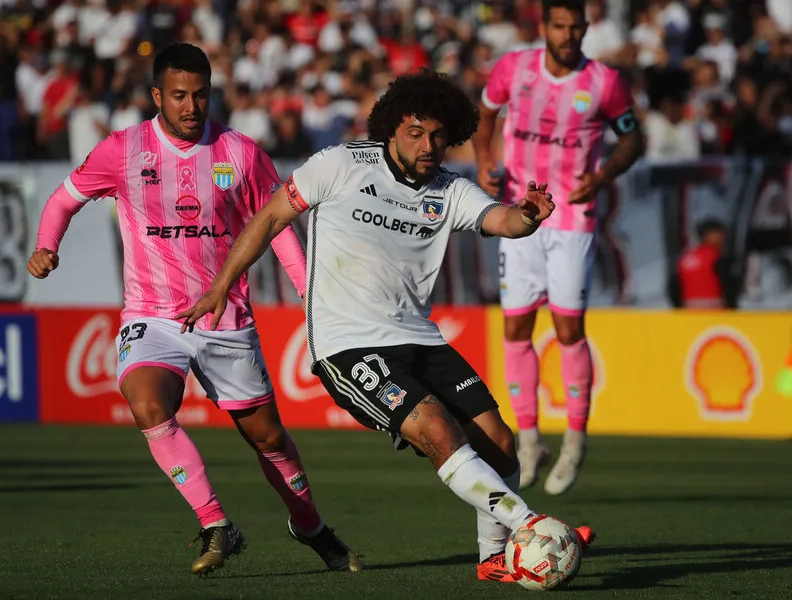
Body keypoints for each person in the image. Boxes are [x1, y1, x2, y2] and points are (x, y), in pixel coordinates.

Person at [176, 69, 594, 583]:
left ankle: (491, 557)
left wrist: (528, 214)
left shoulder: (449, 189)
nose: (428, 144)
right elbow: (267, 219)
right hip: (347, 346)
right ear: (392, 127)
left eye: (439, 135)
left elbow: (502, 221)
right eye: (416, 132)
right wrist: (222, 284)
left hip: (418, 337)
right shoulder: (339, 164)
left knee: (501, 442)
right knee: (439, 430)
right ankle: (533, 526)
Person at [26, 42, 360, 576]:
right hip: (152, 314)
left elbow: (277, 227)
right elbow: (64, 199)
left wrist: (308, 291)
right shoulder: (123, 150)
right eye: (179, 95)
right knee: (147, 405)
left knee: (269, 438)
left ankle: (311, 527)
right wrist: (47, 246)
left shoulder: (241, 153)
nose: (191, 106)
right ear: (157, 95)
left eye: (200, 94)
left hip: (226, 319)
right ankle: (215, 523)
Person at [472, 0, 645, 495]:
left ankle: (574, 438)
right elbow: (485, 112)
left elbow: (633, 140)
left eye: (577, 28)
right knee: (516, 326)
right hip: (521, 213)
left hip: (572, 215)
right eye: (560, 26)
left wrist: (604, 173)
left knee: (568, 328)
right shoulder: (515, 68)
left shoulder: (604, 83)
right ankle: (529, 441)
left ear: (587, 30)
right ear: (544, 27)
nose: (569, 36)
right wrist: (485, 159)